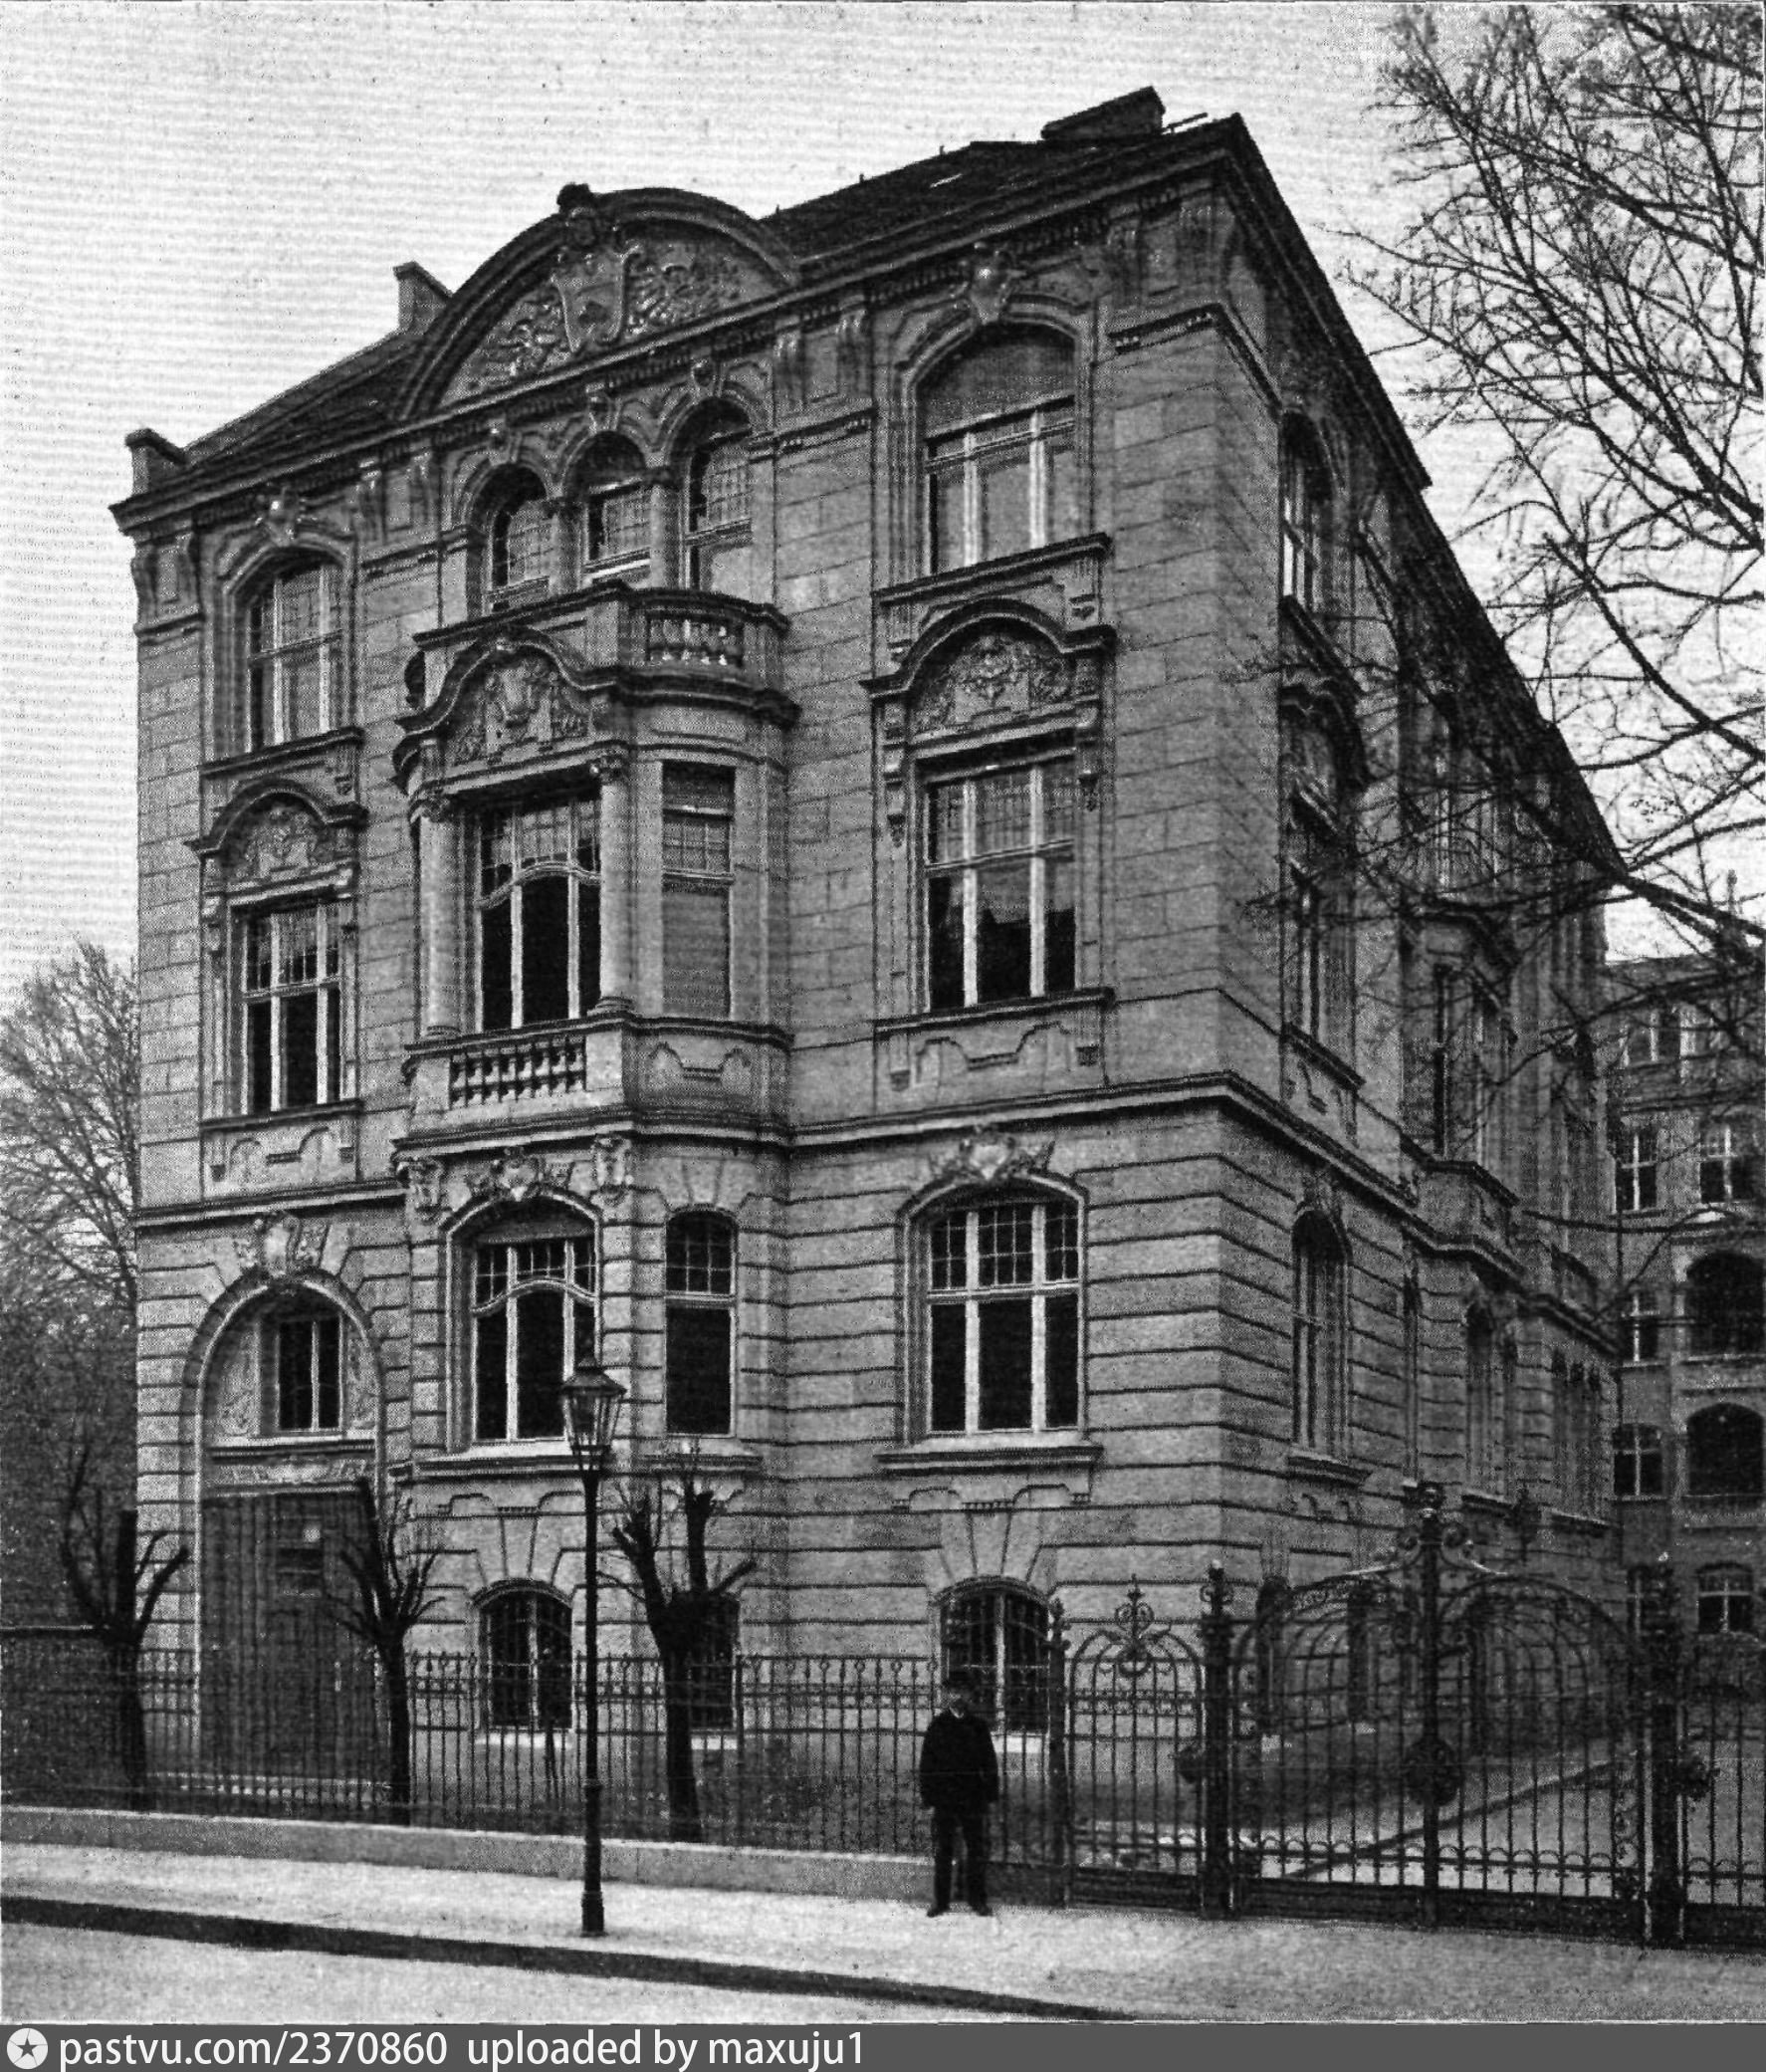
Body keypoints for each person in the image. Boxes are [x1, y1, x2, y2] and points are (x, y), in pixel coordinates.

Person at [918, 1674, 998, 1916]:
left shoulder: (978, 1726)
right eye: (952, 1692)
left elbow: (989, 1763)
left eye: (962, 1692)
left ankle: (977, 1900)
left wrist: (991, 1796)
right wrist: (928, 1799)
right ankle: (941, 1901)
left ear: (970, 1695)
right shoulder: (938, 1726)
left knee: (975, 1850)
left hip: (972, 1797)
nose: (957, 1697)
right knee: (944, 1850)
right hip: (945, 1798)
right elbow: (927, 1765)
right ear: (946, 1695)